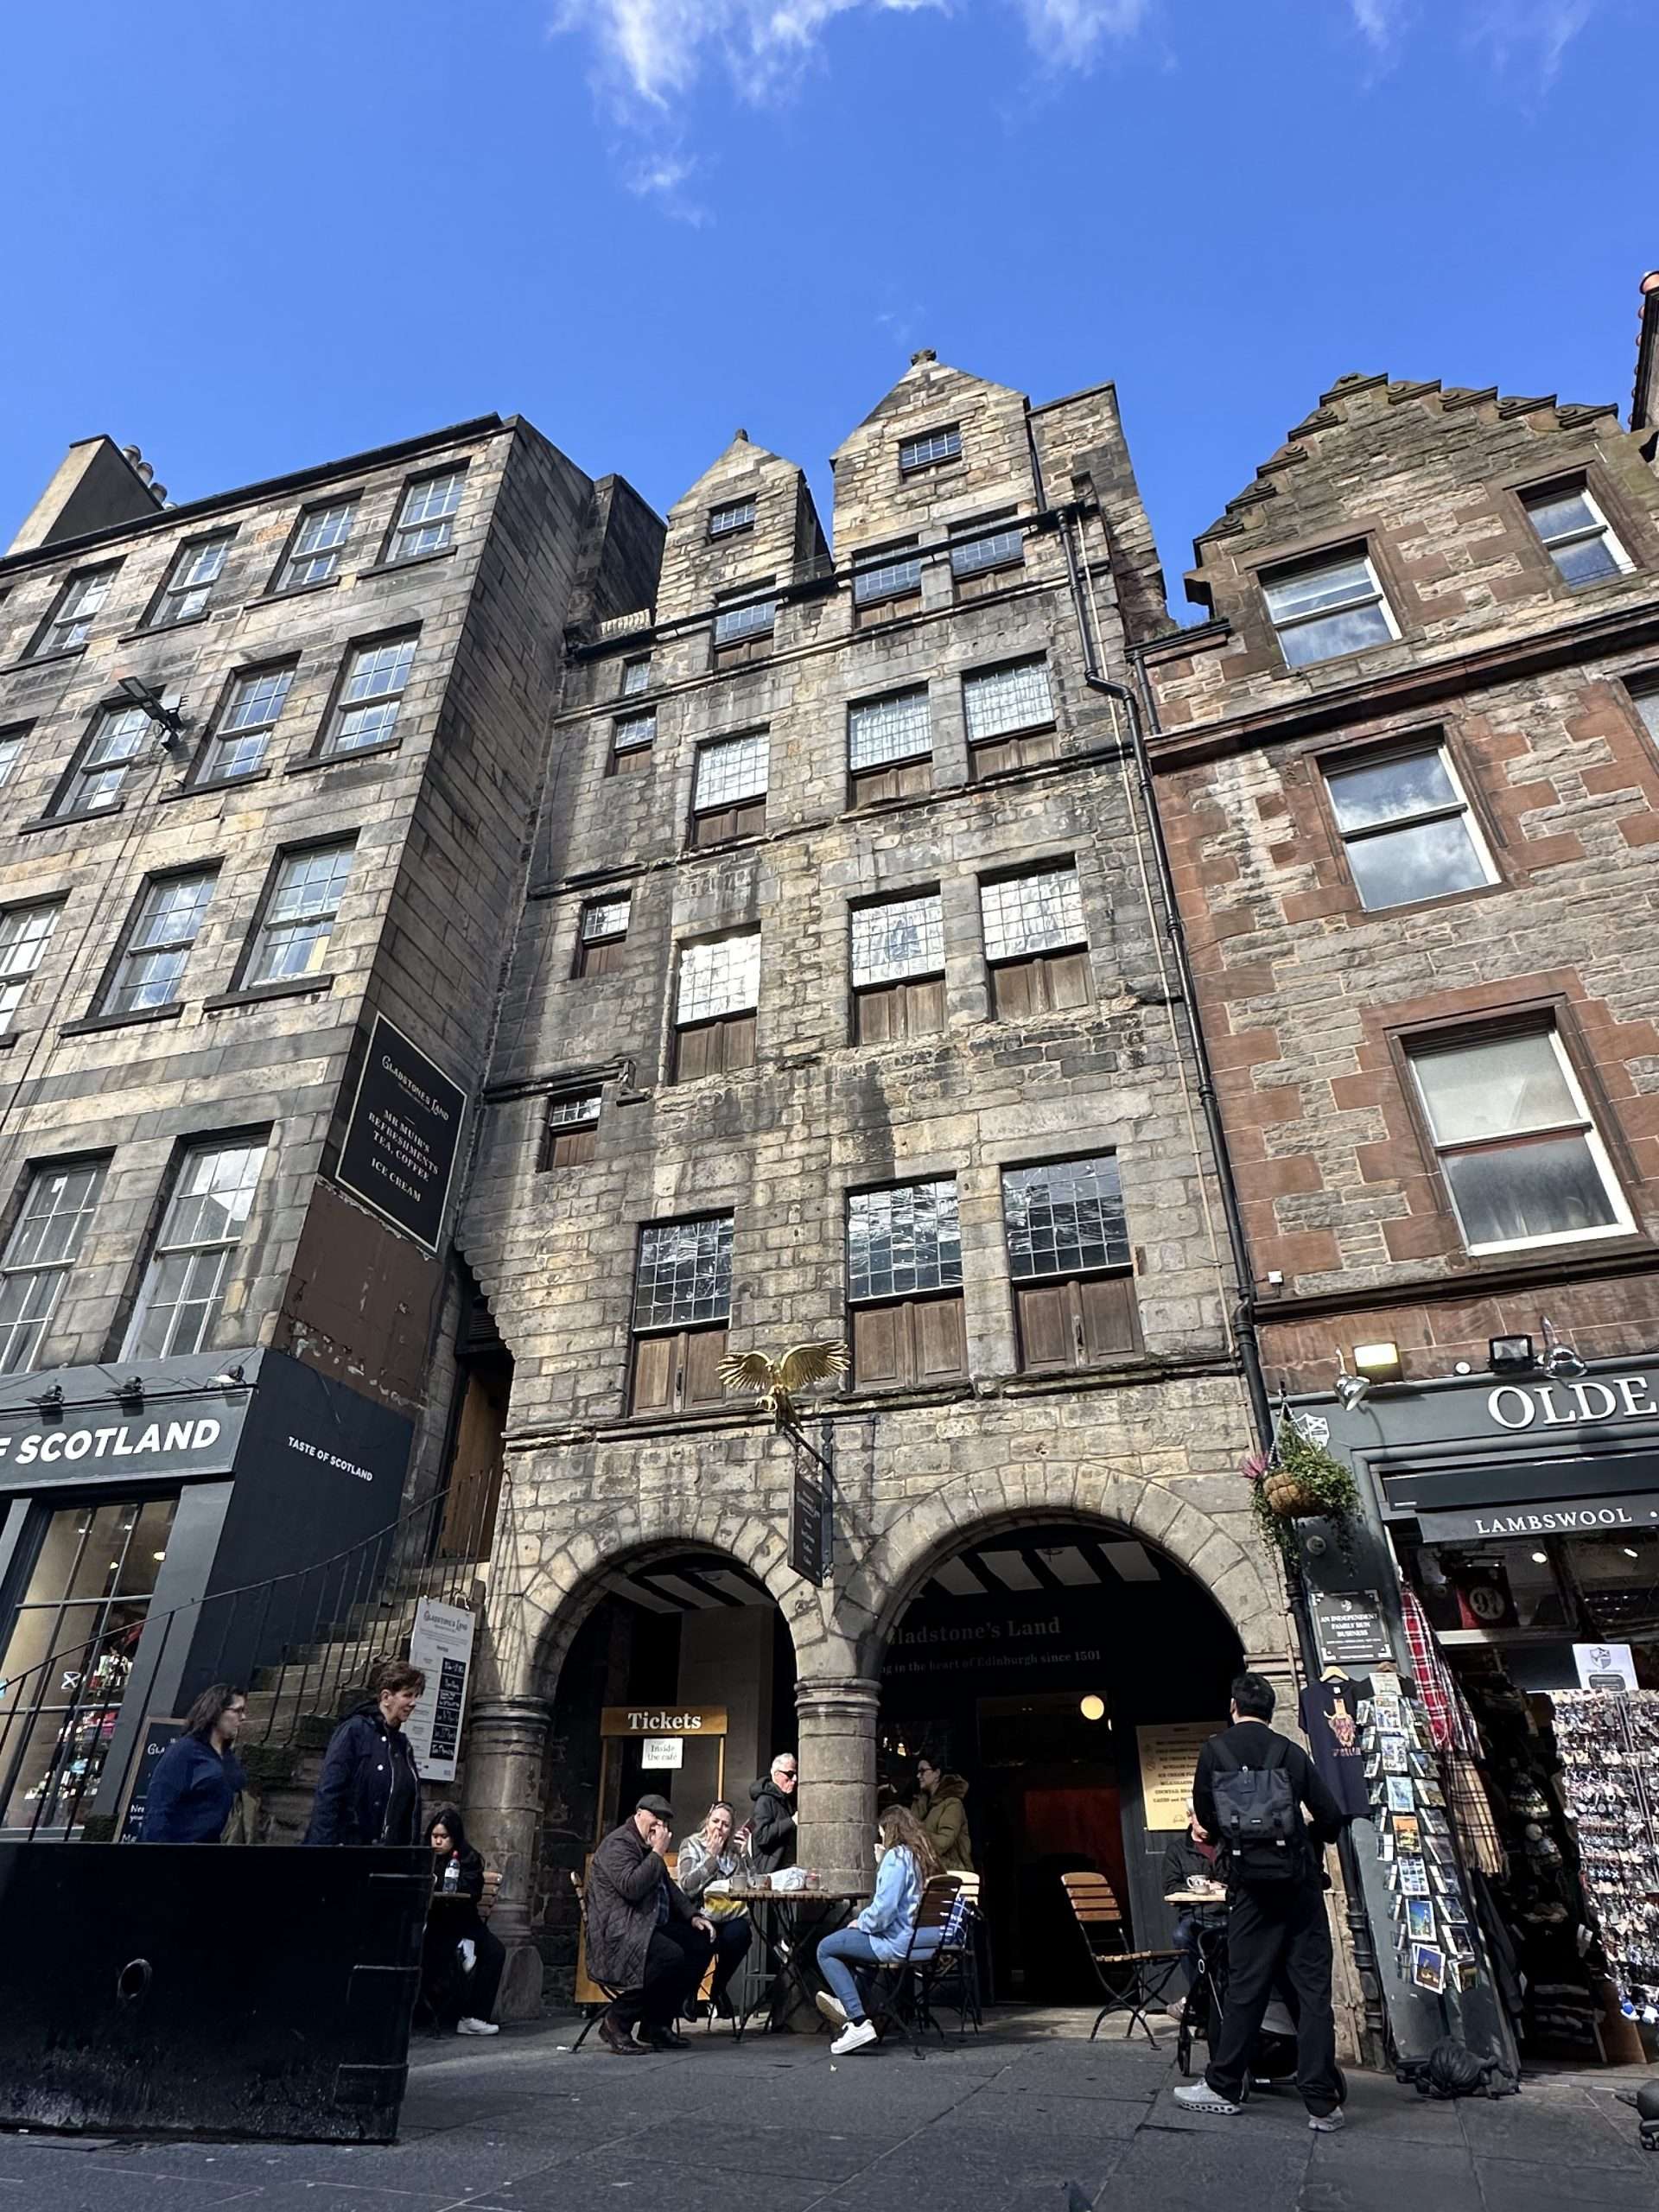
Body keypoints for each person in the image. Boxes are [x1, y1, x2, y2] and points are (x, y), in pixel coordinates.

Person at [1173, 1671, 1347, 2133]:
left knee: (1245, 1986)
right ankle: (1321, 2103)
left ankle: (1224, 2085)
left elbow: (1206, 1814)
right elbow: (1331, 1814)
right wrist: (1308, 1841)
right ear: (1271, 1711)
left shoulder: (1215, 1751)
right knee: (1313, 1994)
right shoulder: (1290, 1752)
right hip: (1300, 1883)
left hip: (1250, 1886)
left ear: (1233, 1706)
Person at [586, 1793, 716, 2055]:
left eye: (665, 1823)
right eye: (655, 1820)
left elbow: (668, 1886)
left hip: (643, 1925)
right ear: (639, 1815)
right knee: (669, 1956)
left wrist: (693, 1916)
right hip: (617, 1931)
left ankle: (656, 2023)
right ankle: (616, 2020)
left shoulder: (643, 1846)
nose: (660, 1828)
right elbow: (631, 1887)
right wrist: (657, 1852)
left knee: (699, 1942)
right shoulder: (619, 1844)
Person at [813, 1804, 945, 2056]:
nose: (881, 1838)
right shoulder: (922, 1858)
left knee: (826, 1948)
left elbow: (884, 1912)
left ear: (890, 1831)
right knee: (859, 1956)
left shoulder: (896, 1857)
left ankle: (859, 2021)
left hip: (897, 1942)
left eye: (881, 1832)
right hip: (922, 1943)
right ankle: (850, 2007)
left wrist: (860, 1922)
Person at [304, 1659, 426, 1847]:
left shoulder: (403, 1746)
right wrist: (324, 1849)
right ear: (386, 1697)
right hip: (350, 1849)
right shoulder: (354, 1732)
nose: (413, 1703)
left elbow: (410, 1809)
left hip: (389, 1857)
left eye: (416, 1696)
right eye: (407, 1695)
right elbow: (329, 1792)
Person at [423, 1806, 505, 2037]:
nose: (437, 1842)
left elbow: (472, 1890)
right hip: (433, 1924)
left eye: (444, 1837)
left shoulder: (467, 1859)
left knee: (495, 1951)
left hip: (463, 1922)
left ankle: (474, 2016)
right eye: (435, 1836)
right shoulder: (423, 1857)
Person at [672, 1799, 757, 2019]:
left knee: (741, 1933)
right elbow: (688, 1887)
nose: (719, 1828)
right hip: (698, 1915)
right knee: (704, 1936)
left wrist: (746, 1854)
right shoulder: (690, 1845)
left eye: (725, 1825)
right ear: (707, 1821)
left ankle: (718, 1988)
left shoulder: (733, 1853)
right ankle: (689, 1991)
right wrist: (711, 1858)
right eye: (715, 1821)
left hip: (727, 1916)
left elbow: (752, 1884)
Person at [139, 1683, 248, 1842]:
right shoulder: (184, 1751)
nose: (243, 1717)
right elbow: (159, 1807)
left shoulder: (227, 1757)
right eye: (237, 1711)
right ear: (216, 1712)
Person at [1162, 1797, 1226, 1995]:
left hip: (1228, 1913)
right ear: (1190, 1818)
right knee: (1181, 1936)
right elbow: (1171, 1888)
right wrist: (1200, 1888)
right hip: (1196, 1915)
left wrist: (1221, 1885)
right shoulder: (1177, 1851)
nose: (1207, 1824)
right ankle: (1201, 1995)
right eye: (1201, 1819)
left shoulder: (1226, 1845)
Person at [912, 1757, 973, 1873]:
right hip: (928, 1871)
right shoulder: (921, 1803)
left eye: (923, 1771)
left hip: (953, 1872)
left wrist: (917, 1837)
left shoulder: (952, 1804)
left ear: (937, 1773)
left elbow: (944, 1842)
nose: (918, 1776)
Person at [747, 1752, 798, 1874]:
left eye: (796, 1774)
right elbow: (761, 1835)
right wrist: (791, 1821)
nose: (795, 1779)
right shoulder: (765, 1800)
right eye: (790, 1774)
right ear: (777, 1774)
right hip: (771, 1872)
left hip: (784, 1870)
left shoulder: (785, 1800)